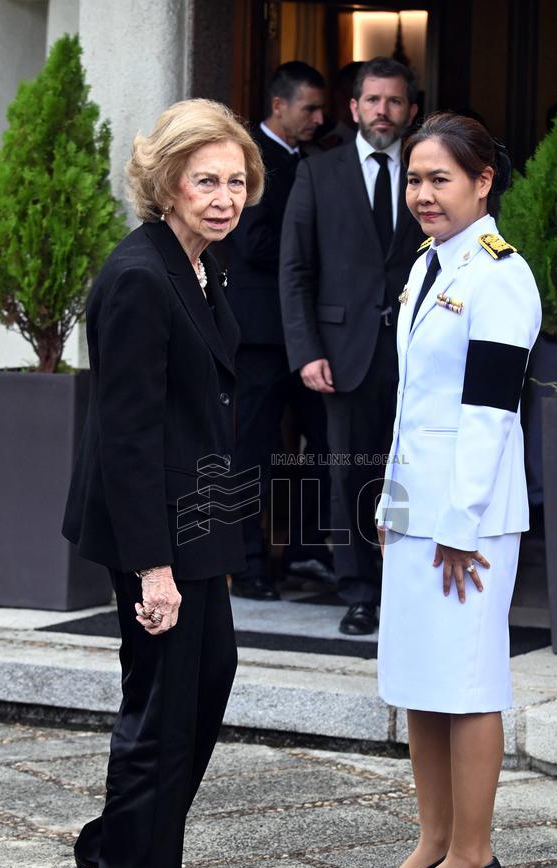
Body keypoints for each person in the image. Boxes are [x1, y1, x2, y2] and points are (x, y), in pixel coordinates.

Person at [62, 99, 264, 868]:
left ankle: (124, 846)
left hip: (194, 518)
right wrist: (154, 571)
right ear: (166, 184)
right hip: (154, 529)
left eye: (236, 180)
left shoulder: (199, 262)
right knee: (161, 706)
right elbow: (131, 439)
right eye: (205, 180)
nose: (224, 196)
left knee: (206, 677)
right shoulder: (141, 276)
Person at [361, 113, 541, 868]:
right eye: (413, 179)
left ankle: (474, 854)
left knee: (466, 683)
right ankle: (433, 841)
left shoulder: (500, 276)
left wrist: (461, 526)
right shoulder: (432, 265)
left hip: (467, 520)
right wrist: (395, 504)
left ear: (482, 181)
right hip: (419, 510)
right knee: (421, 679)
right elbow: (413, 405)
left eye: (440, 179)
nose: (423, 195)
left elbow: (489, 414)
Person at [280, 57, 422, 636]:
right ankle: (361, 593)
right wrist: (305, 350)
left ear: (411, 111)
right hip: (341, 354)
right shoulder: (319, 173)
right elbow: (295, 271)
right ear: (354, 108)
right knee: (349, 475)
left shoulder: (430, 170)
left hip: (418, 351)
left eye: (394, 101)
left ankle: (409, 592)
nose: (382, 111)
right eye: (373, 100)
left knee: (414, 473)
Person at [226, 61, 333, 601]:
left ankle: (308, 551)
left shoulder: (306, 159)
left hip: (304, 336)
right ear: (279, 107)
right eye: (309, 108)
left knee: (331, 440)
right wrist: (319, 260)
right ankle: (246, 566)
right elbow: (253, 243)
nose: (319, 117)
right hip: (259, 334)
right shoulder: (249, 161)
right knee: (253, 449)